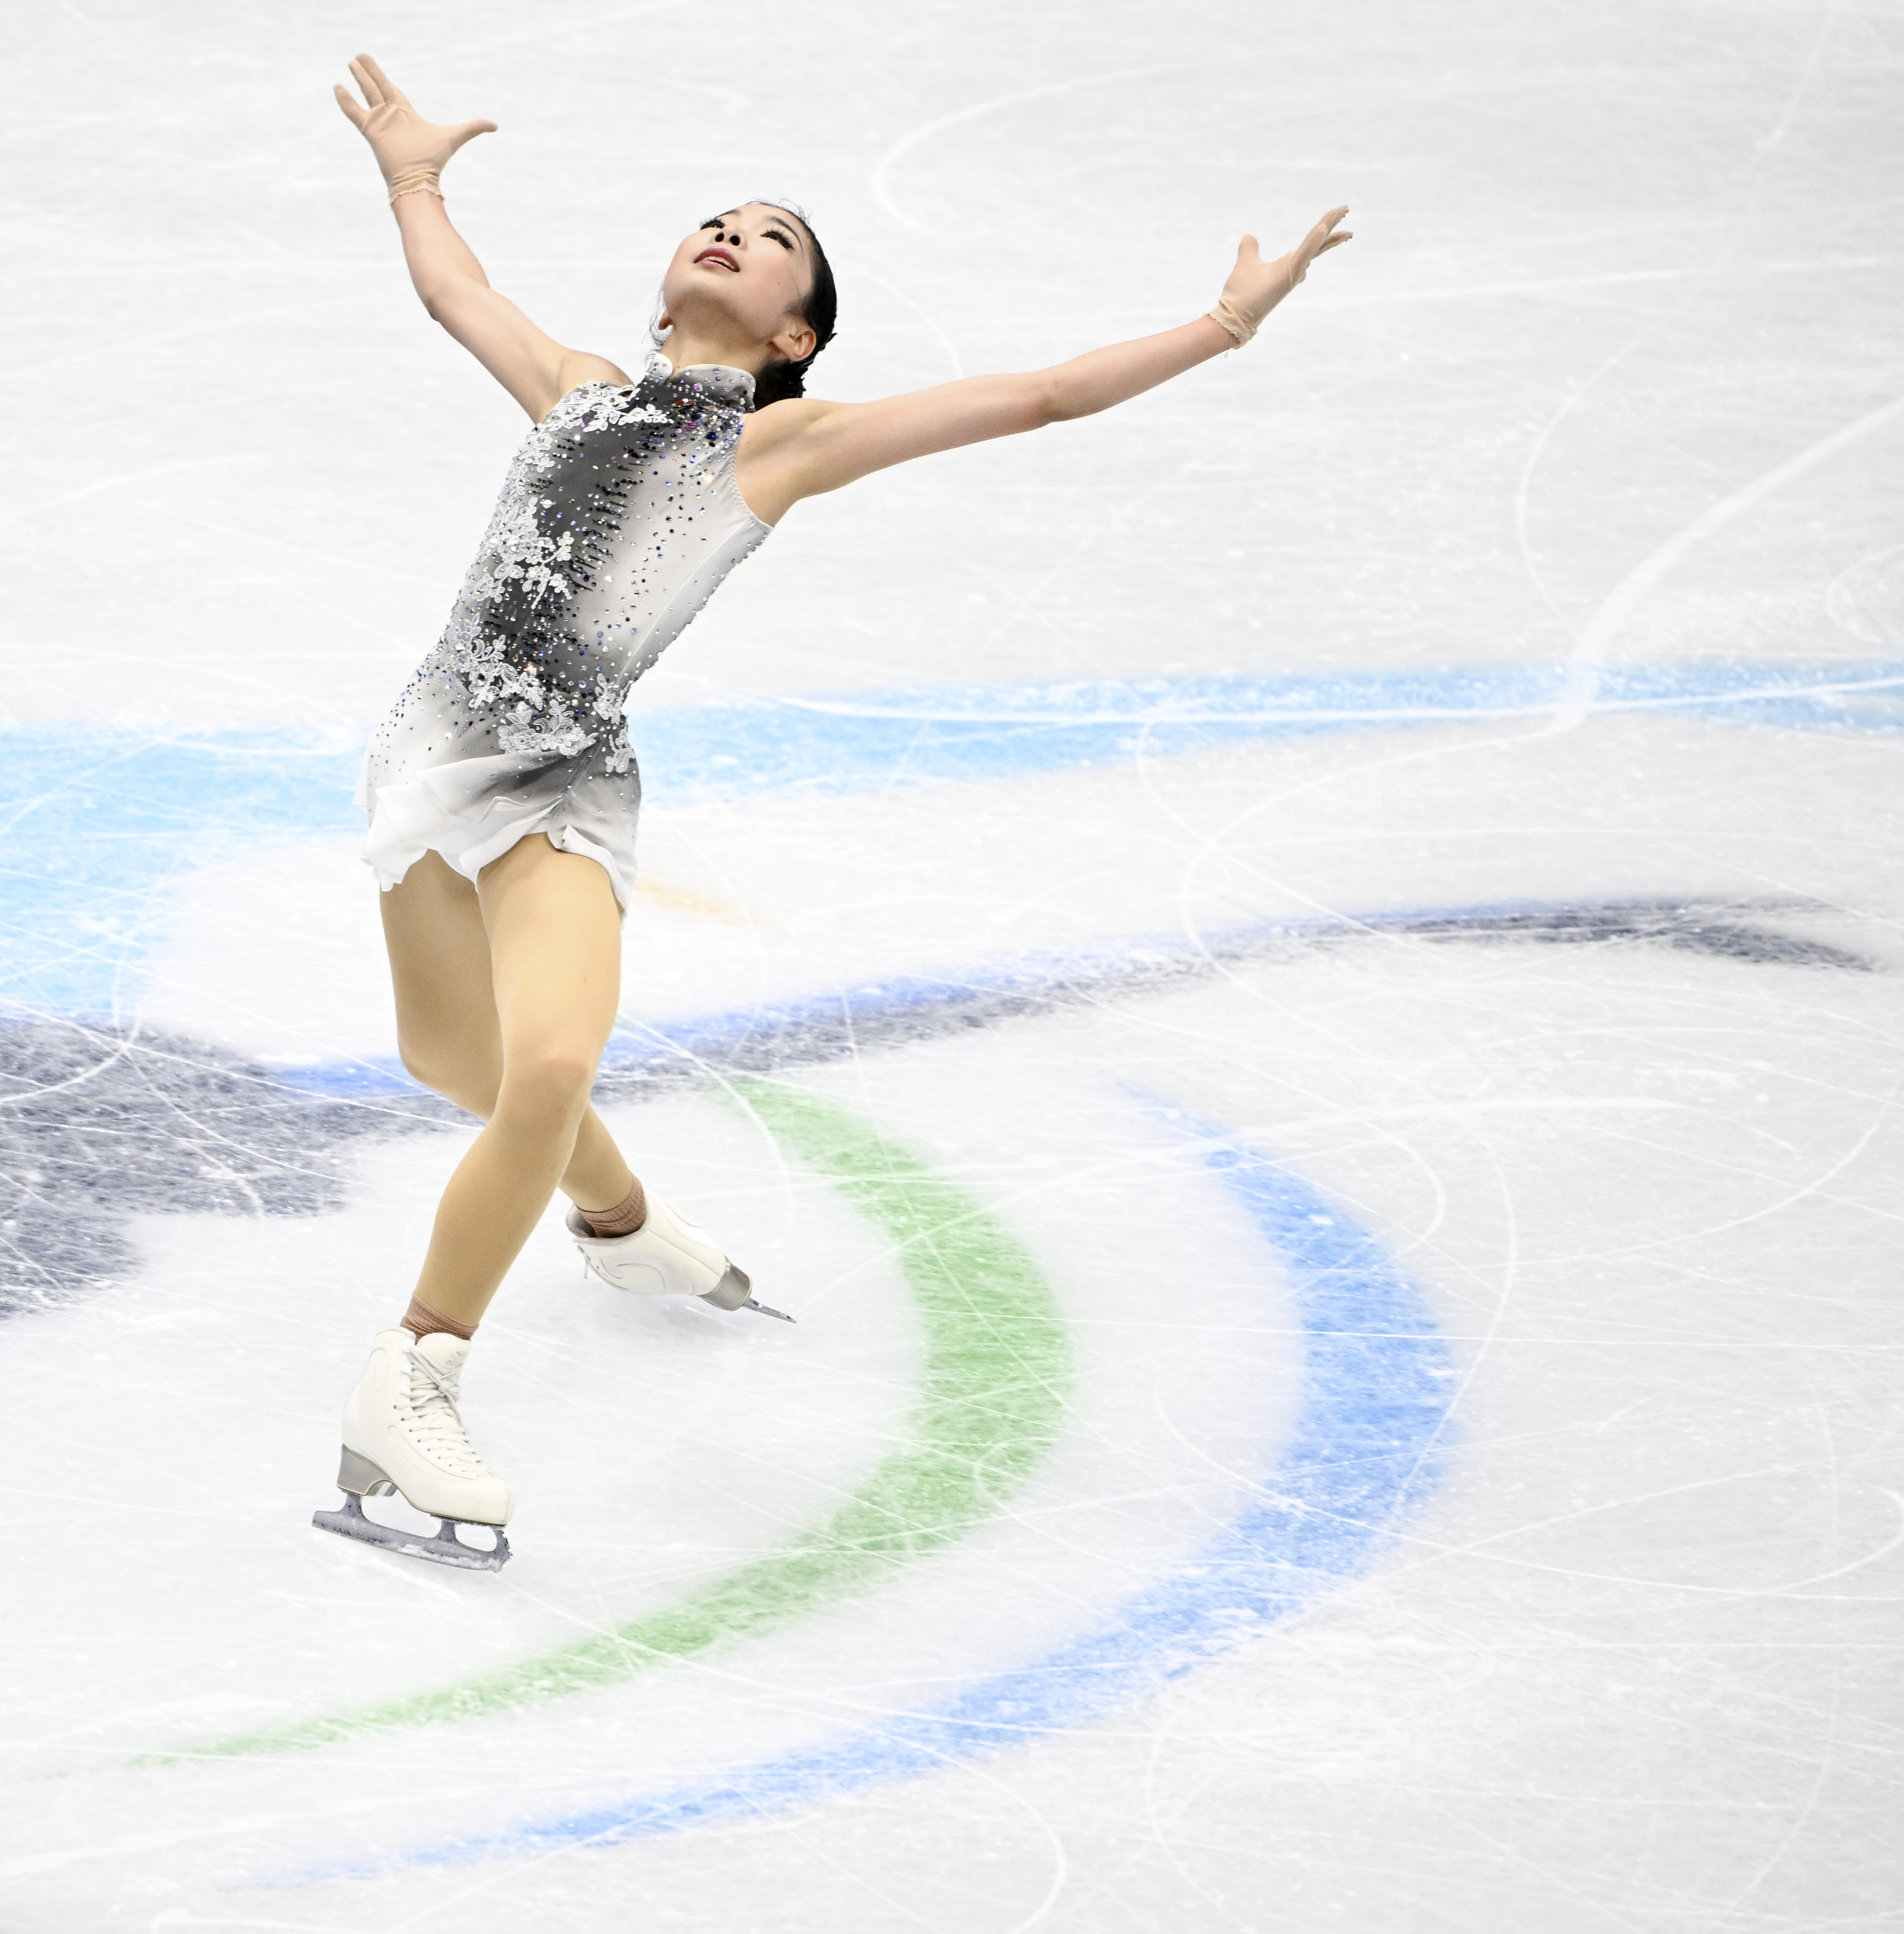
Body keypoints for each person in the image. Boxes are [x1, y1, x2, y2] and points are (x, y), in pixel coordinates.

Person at [316, 52, 1350, 1572]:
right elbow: (455, 291)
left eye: (774, 239)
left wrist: (1226, 322)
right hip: (426, 755)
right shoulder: (577, 387)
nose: (733, 233)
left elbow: (1041, 397)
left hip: (560, 788)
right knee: (452, 1062)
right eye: (720, 220)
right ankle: (623, 1229)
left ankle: (415, 1372)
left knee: (545, 1064)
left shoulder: (778, 444)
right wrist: (414, 176)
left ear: (792, 334)